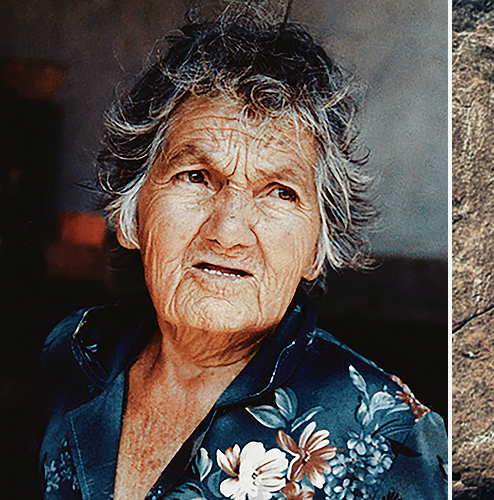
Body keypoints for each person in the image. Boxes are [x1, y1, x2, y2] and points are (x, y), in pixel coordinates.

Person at [39, 8, 447, 500]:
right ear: (132, 215)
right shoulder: (78, 353)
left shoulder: (388, 430)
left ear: (315, 250)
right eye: (195, 177)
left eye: (280, 192)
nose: (228, 231)